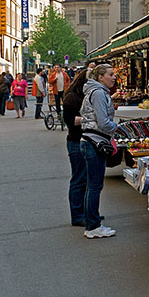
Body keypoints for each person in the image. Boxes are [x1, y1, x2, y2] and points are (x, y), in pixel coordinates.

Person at [79, 64, 118, 238]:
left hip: (91, 141)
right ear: (100, 77)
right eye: (110, 74)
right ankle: (93, 226)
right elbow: (103, 122)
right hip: (95, 141)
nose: (114, 77)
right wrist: (117, 127)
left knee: (92, 185)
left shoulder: (93, 92)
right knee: (95, 185)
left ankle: (91, 222)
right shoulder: (100, 93)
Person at [62, 69, 90, 227]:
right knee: (79, 179)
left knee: (85, 179)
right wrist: (90, 119)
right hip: (76, 141)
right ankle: (77, 215)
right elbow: (69, 120)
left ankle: (86, 212)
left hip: (83, 140)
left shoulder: (82, 96)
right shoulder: (72, 97)